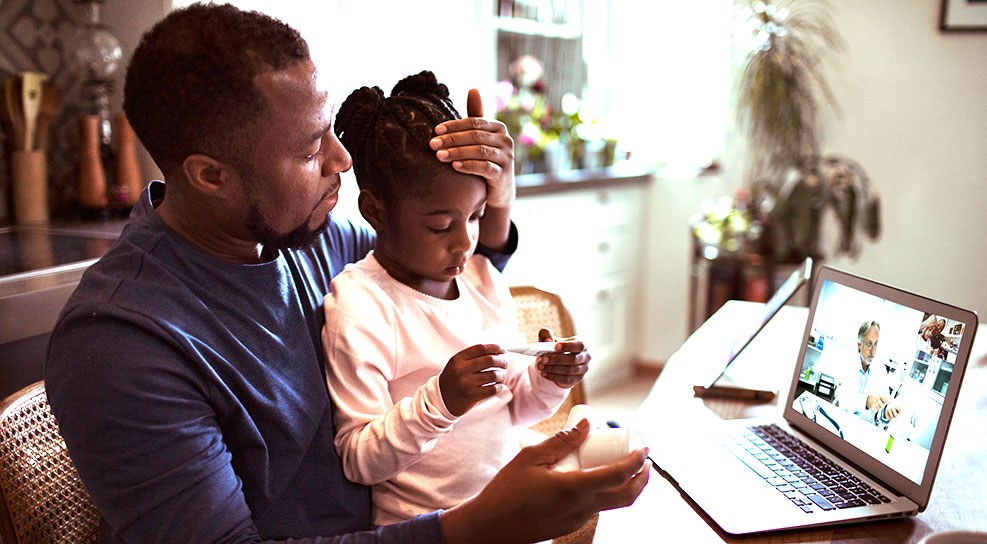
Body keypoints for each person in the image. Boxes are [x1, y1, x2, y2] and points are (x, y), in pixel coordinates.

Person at [43, 4, 649, 543]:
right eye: (310, 152)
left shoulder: (305, 237)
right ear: (210, 175)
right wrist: (477, 525)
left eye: (331, 129)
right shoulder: (123, 345)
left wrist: (497, 204)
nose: (342, 160)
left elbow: (435, 279)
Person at [325, 72, 586, 526]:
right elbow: (358, 459)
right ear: (375, 211)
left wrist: (550, 379)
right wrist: (441, 401)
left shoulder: (483, 279)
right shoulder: (361, 305)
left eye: (477, 217)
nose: (465, 243)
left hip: (508, 515)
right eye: (440, 226)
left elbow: (518, 409)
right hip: (427, 530)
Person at [833, 321, 901, 425]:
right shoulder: (845, 363)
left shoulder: (881, 370)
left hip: (866, 428)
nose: (873, 351)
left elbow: (881, 407)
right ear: (859, 345)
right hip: (841, 422)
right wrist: (866, 401)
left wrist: (886, 413)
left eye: (876, 344)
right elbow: (842, 399)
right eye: (869, 345)